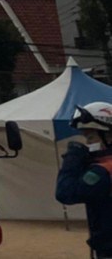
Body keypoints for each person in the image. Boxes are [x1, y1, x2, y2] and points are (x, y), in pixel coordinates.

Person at [56, 101, 112, 259]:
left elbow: (65, 193)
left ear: (108, 136)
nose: (87, 143)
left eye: (91, 137)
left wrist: (72, 160)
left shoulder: (104, 170)